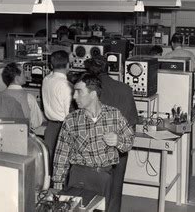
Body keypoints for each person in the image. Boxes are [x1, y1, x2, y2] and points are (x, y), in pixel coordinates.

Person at [52, 74, 135, 212]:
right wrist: (57, 182)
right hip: (79, 176)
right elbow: (62, 153)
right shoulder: (71, 120)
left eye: (79, 91)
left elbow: (130, 141)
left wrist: (118, 141)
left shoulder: (114, 115)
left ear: (93, 94)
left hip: (105, 177)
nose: (74, 96)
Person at [84, 56, 138, 212]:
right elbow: (132, 122)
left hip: (91, 148)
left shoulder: (86, 92)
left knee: (91, 190)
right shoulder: (125, 89)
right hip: (117, 148)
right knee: (115, 189)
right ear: (108, 68)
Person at [42, 50, 73, 172]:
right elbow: (68, 114)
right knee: (62, 166)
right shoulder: (67, 85)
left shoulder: (46, 79)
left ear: (51, 65)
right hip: (63, 128)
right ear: (68, 65)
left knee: (49, 166)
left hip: (50, 128)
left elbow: (52, 74)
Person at [1, 62, 44, 129]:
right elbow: (36, 123)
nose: (26, 75)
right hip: (22, 136)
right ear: (17, 79)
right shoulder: (29, 98)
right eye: (23, 73)